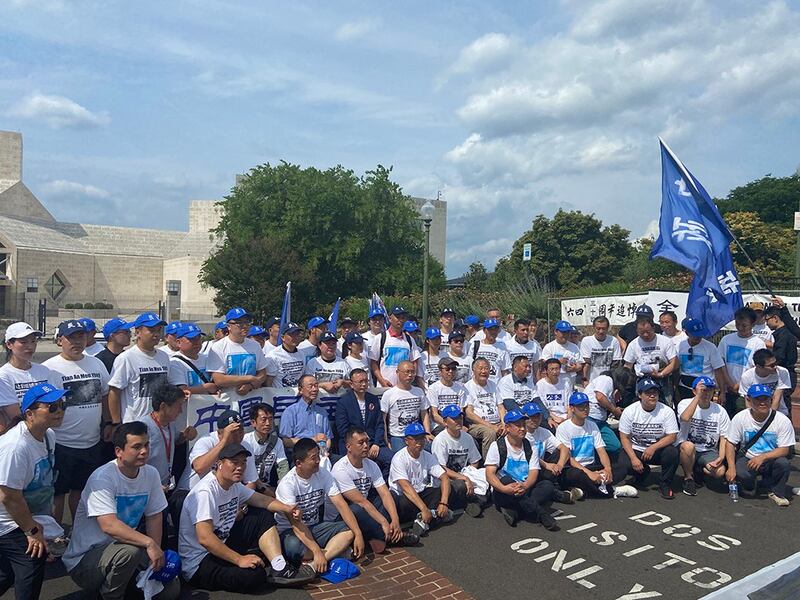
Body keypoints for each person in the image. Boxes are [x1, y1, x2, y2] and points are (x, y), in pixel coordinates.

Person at [62, 421, 180, 600]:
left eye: (147, 445)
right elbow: (109, 526)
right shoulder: (102, 478)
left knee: (170, 590)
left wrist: (153, 556)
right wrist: (149, 544)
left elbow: (154, 516)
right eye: (137, 447)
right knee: (129, 552)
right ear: (119, 451)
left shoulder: (151, 473)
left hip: (123, 550)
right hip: (86, 560)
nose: (144, 451)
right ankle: (110, 596)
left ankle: (128, 586)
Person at [178, 443, 315, 592]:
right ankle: (254, 564)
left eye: (243, 463)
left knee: (262, 515)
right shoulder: (205, 492)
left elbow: (262, 500)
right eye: (234, 462)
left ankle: (279, 567)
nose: (240, 467)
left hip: (222, 542)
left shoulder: (234, 486)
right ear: (219, 464)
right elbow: (205, 539)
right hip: (199, 562)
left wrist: (288, 508)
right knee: (255, 576)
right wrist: (239, 559)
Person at [0, 383, 65, 600]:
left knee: (6, 572)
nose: (59, 411)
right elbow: (8, 496)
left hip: (25, 514)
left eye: (62, 405)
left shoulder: (48, 436)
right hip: (7, 521)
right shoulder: (16, 447)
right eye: (52, 407)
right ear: (29, 413)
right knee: (33, 559)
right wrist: (33, 532)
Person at [43, 319, 111, 523]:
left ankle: (78, 528)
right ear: (60, 340)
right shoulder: (50, 369)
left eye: (80, 336)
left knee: (81, 491)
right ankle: (56, 533)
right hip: (62, 443)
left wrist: (108, 423)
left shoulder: (96, 362)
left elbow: (106, 395)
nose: (77, 342)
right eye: (71, 337)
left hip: (91, 442)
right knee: (58, 493)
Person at [275, 438, 361, 570]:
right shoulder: (287, 485)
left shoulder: (323, 473)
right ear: (299, 463)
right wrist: (316, 550)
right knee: (293, 546)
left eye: (318, 456)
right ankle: (332, 552)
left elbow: (341, 504)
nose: (318, 461)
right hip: (292, 532)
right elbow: (296, 525)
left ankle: (315, 564)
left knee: (349, 530)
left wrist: (358, 534)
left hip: (315, 528)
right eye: (313, 458)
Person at [330, 427, 418, 554]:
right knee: (356, 509)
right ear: (349, 447)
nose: (366, 446)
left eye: (367, 441)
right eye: (361, 443)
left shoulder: (371, 464)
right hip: (344, 516)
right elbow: (360, 502)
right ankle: (392, 538)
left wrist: (395, 520)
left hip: (366, 508)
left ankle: (376, 535)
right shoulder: (340, 470)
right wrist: (383, 521)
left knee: (392, 495)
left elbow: (384, 493)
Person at [724, 384, 795, 507]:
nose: (762, 403)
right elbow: (730, 443)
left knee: (783, 464)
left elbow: (784, 449)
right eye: (758, 399)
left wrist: (763, 457)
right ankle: (756, 483)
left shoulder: (782, 420)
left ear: (771, 400)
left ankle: (776, 492)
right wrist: (731, 467)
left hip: (771, 458)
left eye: (765, 399)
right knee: (743, 477)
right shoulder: (740, 418)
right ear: (748, 400)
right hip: (748, 457)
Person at [556, 392, 636, 500]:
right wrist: (589, 474)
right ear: (572, 408)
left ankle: (583, 491)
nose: (585, 409)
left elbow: (601, 450)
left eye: (587, 406)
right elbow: (568, 457)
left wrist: (607, 469)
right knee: (575, 475)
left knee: (621, 468)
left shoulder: (592, 425)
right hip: (574, 468)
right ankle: (612, 490)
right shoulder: (563, 428)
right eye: (581, 407)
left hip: (592, 465)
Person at [484, 410, 557, 529]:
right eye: (518, 425)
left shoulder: (530, 446)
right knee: (506, 479)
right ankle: (541, 514)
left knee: (547, 485)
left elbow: (534, 472)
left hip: (524, 489)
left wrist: (525, 486)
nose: (522, 428)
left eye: (523, 425)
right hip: (505, 492)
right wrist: (504, 489)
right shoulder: (497, 446)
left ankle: (516, 512)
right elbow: (489, 474)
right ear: (507, 428)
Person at [389, 422, 461, 536]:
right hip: (405, 497)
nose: (420, 442)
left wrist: (444, 503)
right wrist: (424, 509)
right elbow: (406, 487)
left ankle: (424, 520)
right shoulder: (399, 458)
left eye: (422, 438)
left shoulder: (426, 455)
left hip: (421, 493)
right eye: (415, 439)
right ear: (406, 441)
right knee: (403, 502)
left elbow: (444, 477)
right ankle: (435, 516)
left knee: (444, 489)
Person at [618, 378, 680, 499]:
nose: (652, 396)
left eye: (655, 393)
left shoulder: (667, 411)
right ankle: (641, 474)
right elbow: (624, 437)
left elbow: (672, 436)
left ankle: (665, 484)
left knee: (672, 453)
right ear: (640, 395)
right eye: (648, 393)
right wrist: (633, 458)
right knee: (623, 463)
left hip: (657, 450)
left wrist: (653, 447)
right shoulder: (630, 411)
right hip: (637, 448)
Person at [108, 312, 171, 424]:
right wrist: (115, 423)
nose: (156, 334)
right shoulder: (126, 358)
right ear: (138, 332)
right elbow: (114, 392)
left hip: (160, 424)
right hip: (134, 425)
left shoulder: (164, 357)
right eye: (151, 330)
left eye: (159, 330)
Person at [175, 410, 257, 493]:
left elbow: (250, 482)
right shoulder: (206, 441)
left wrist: (242, 502)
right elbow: (199, 468)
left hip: (222, 497)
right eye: (233, 431)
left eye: (241, 430)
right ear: (219, 433)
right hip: (189, 492)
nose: (239, 435)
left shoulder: (245, 445)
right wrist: (224, 441)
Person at [677, 377, 730, 496]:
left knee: (720, 472)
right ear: (694, 391)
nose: (707, 393)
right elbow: (685, 418)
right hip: (688, 447)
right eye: (703, 390)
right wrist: (697, 397)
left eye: (710, 390)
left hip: (708, 450)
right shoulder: (685, 403)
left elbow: (724, 436)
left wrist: (721, 457)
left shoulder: (720, 410)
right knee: (688, 446)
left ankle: (699, 469)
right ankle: (688, 478)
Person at [430, 405, 487, 516]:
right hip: (446, 480)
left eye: (460, 418)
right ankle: (471, 502)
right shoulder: (440, 440)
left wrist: (470, 475)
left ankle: (474, 502)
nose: (458, 421)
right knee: (461, 486)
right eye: (454, 419)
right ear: (445, 422)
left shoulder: (467, 437)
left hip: (464, 475)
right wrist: (464, 478)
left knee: (487, 475)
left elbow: (474, 461)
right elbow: (441, 468)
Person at [334, 369, 392, 473]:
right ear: (351, 384)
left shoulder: (373, 399)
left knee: (392, 459)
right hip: (354, 445)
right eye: (360, 381)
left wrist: (376, 444)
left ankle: (379, 486)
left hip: (374, 443)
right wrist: (361, 444)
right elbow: (343, 430)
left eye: (366, 381)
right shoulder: (343, 402)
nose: (364, 384)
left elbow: (379, 424)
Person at [207, 307, 268, 404]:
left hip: (252, 399)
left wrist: (250, 385)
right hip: (227, 401)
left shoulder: (255, 346)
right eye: (239, 323)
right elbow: (218, 379)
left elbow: (262, 373)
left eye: (247, 322)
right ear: (228, 326)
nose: (245, 326)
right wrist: (248, 378)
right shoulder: (218, 347)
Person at [142, 384, 197, 490]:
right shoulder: (143, 427)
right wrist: (152, 485)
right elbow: (134, 462)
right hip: (148, 488)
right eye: (178, 406)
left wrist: (185, 435)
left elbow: (175, 440)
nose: (181, 411)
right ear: (163, 406)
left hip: (165, 486)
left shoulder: (170, 424)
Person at [0, 322, 49, 435]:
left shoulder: (44, 370)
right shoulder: (4, 376)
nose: (30, 346)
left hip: (46, 435)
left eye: (33, 341)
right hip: (21, 437)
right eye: (23, 342)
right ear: (9, 344)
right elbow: (16, 416)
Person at [718, 306, 767, 417]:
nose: (740, 328)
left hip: (746, 391)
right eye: (737, 324)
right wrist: (729, 383)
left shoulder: (758, 343)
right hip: (727, 389)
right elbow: (721, 363)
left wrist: (739, 384)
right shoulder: (726, 339)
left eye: (744, 325)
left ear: (753, 324)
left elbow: (756, 367)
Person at [380, 361, 431, 451]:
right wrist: (386, 439)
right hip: (398, 436)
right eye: (407, 372)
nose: (410, 375)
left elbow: (424, 413)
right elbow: (383, 419)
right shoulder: (389, 394)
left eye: (412, 372)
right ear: (397, 372)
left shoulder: (419, 391)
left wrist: (427, 432)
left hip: (417, 433)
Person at [584, 367, 634, 455]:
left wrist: (615, 406)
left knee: (615, 446)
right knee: (588, 445)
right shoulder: (606, 379)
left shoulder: (613, 389)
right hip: (589, 417)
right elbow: (600, 397)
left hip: (601, 421)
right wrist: (614, 410)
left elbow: (607, 404)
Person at [764, 296, 800, 418]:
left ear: (775, 318)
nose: (766, 323)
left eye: (767, 319)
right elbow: (795, 330)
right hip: (786, 374)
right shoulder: (785, 333)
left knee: (782, 407)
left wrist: (764, 364)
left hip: (786, 374)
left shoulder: (784, 336)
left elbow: (779, 357)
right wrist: (784, 308)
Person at [279, 375, 334, 455]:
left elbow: (328, 438)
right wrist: (312, 440)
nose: (314, 389)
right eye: (310, 386)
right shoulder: (290, 412)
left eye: (316, 386)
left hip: (321, 453)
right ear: (300, 390)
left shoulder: (322, 412)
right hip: (301, 455)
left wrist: (324, 451)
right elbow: (286, 441)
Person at [622, 316, 679, 393]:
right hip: (642, 379)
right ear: (637, 331)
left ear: (653, 328)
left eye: (648, 332)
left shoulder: (665, 341)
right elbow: (628, 366)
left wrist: (661, 374)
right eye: (642, 332)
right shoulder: (633, 344)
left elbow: (674, 363)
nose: (645, 335)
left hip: (663, 378)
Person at [368, 305, 421, 388]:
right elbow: (373, 363)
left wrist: (411, 377)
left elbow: (414, 360)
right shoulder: (380, 338)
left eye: (403, 317)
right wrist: (382, 381)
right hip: (385, 387)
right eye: (397, 317)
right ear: (390, 318)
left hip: (404, 388)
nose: (400, 320)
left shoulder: (409, 340)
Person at [675, 318, 726, 401]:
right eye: (695, 335)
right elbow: (676, 367)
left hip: (704, 388)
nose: (698, 337)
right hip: (684, 387)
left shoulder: (711, 347)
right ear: (687, 333)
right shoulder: (680, 345)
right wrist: (675, 387)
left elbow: (718, 370)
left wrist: (722, 392)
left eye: (700, 334)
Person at [243, 403, 289, 489]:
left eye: (270, 419)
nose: (268, 423)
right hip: (248, 487)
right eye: (263, 420)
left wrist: (284, 487)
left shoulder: (277, 441)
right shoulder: (245, 441)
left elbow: (283, 467)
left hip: (266, 486)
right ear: (253, 422)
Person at [464, 358, 503, 458]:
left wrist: (504, 423)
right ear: (473, 370)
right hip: (477, 424)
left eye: (486, 368)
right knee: (490, 433)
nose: (483, 371)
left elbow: (500, 406)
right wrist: (490, 426)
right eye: (480, 368)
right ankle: (489, 465)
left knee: (513, 428)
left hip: (497, 422)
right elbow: (469, 413)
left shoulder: (493, 385)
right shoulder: (468, 387)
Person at [168, 323, 219, 395]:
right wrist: (206, 388)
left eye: (198, 338)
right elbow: (181, 391)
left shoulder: (207, 358)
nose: (196, 343)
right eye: (191, 339)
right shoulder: (175, 363)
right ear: (179, 342)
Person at [522, 402, 567, 482]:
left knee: (560, 453)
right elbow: (527, 455)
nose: (536, 419)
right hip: (526, 468)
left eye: (538, 416)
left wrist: (560, 465)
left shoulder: (544, 431)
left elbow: (563, 448)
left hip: (542, 467)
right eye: (532, 417)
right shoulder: (521, 434)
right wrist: (546, 465)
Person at [739, 349, 792, 416]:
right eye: (772, 365)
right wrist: (754, 418)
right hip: (756, 415)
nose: (775, 367)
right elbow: (748, 402)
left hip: (778, 413)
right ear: (759, 366)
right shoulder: (747, 377)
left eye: (776, 363)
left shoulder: (782, 372)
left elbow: (777, 398)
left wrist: (770, 418)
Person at [427, 357, 469, 431]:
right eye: (447, 369)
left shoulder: (461, 388)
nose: (451, 371)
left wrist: (458, 425)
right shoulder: (433, 388)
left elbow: (461, 411)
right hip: (440, 425)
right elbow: (434, 415)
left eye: (453, 369)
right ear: (440, 371)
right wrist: (451, 425)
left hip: (457, 424)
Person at [466, 318, 511, 385]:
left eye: (495, 329)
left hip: (495, 387)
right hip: (477, 386)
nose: (493, 332)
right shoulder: (475, 345)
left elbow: (505, 371)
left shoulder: (502, 348)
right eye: (490, 329)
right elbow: (470, 367)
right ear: (484, 330)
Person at [304, 331, 350, 395]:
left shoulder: (343, 363)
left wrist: (343, 382)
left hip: (339, 403)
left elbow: (353, 384)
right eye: (328, 343)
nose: (331, 346)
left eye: (333, 343)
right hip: (317, 403)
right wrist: (322, 385)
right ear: (319, 345)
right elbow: (306, 385)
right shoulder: (312, 363)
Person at [541, 320, 583, 390]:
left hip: (569, 381)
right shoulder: (549, 346)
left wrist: (575, 368)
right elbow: (544, 363)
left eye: (567, 332)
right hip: (553, 382)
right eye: (563, 332)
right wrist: (558, 362)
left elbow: (580, 364)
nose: (565, 335)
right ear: (556, 332)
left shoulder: (574, 347)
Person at [266, 321, 310, 388]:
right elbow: (268, 382)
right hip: (280, 396)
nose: (295, 337)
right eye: (291, 334)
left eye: (297, 334)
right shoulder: (273, 356)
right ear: (283, 337)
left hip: (298, 395)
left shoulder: (302, 354)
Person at [581, 316, 623, 384]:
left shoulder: (613, 341)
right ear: (594, 327)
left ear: (608, 328)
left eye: (603, 329)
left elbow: (616, 364)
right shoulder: (587, 341)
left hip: (608, 380)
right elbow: (586, 363)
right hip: (591, 380)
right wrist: (584, 379)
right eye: (598, 328)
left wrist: (614, 381)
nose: (601, 331)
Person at [536, 358, 571, 429]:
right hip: (549, 417)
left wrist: (568, 419)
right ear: (546, 371)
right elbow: (543, 407)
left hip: (565, 416)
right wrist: (555, 418)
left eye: (557, 369)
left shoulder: (565, 383)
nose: (555, 372)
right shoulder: (540, 385)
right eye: (552, 369)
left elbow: (569, 405)